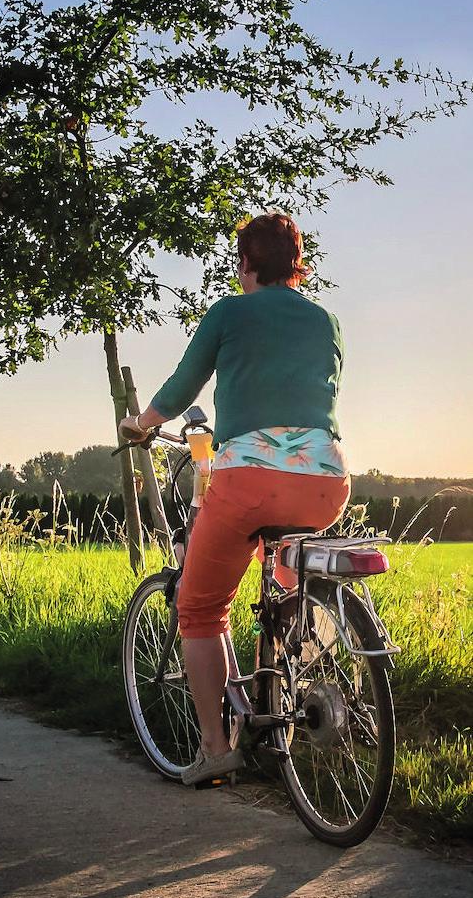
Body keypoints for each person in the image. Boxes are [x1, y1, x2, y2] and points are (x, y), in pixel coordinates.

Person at [119, 212, 350, 786]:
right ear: (296, 262)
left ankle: (217, 748)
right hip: (327, 482)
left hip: (248, 480)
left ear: (245, 263)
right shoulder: (326, 319)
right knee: (284, 568)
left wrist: (141, 423)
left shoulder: (229, 311)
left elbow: (182, 385)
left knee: (199, 608)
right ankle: (290, 668)